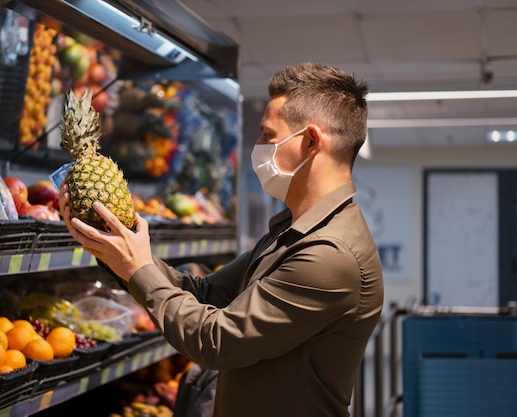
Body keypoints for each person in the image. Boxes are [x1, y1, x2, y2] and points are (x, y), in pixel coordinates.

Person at [59, 62, 384, 417]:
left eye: (267, 135)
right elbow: (203, 294)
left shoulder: (330, 255)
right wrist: (113, 249)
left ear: (309, 141)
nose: (258, 147)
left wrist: (139, 268)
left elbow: (217, 341)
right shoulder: (293, 232)